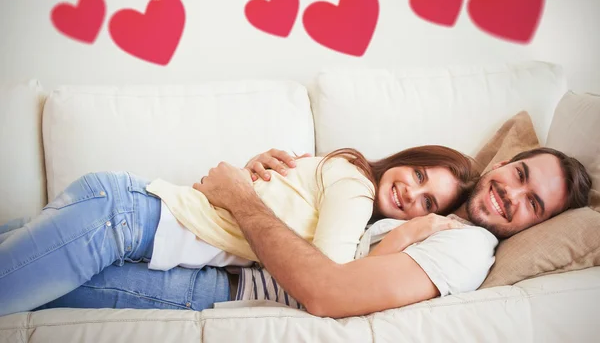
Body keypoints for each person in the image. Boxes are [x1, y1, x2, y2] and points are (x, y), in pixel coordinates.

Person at [33, 146, 588, 317]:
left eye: (533, 203)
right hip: (153, 220)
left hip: (214, 277)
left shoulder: (469, 246)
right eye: (518, 175)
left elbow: (329, 288)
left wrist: (243, 199)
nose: (511, 195)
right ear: (505, 163)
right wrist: (266, 181)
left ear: (541, 223)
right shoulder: (430, 214)